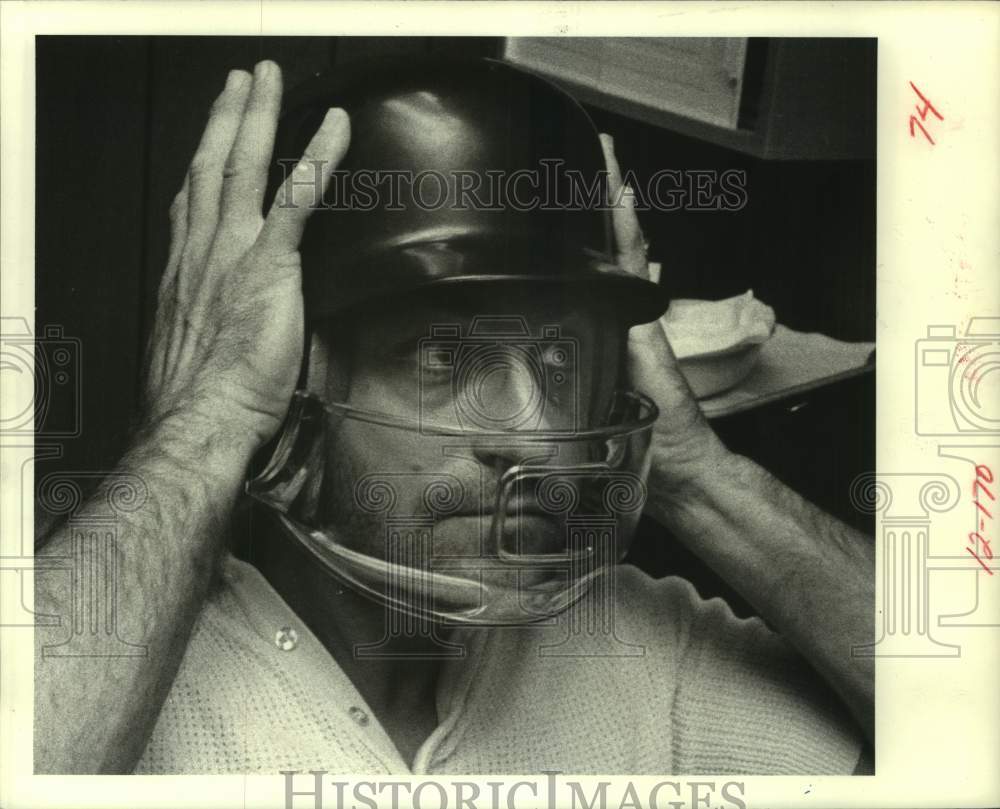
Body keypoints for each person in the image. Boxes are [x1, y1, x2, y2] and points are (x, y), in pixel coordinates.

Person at [34, 57, 874, 775]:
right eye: (442, 360)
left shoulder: (636, 646)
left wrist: (700, 477)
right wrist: (204, 430)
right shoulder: (137, 678)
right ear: (292, 381)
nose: (530, 436)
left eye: (555, 362)